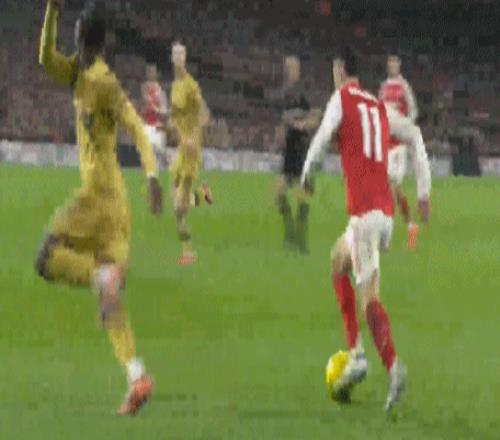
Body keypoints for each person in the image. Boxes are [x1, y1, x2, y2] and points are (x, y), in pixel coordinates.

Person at [35, 0, 163, 416]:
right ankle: (136, 376)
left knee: (45, 257)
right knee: (109, 304)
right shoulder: (78, 72)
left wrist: (152, 174)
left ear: (82, 37)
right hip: (114, 206)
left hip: (98, 198)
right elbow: (45, 59)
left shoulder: (103, 83)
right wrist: (52, 11)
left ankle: (98, 275)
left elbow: (136, 127)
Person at [301, 49, 431, 411]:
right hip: (384, 215)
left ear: (340, 69)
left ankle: (392, 367)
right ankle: (356, 353)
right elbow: (414, 133)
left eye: (334, 70)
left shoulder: (342, 98)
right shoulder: (377, 105)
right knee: (337, 261)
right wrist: (423, 191)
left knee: (369, 297)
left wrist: (307, 175)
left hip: (364, 216)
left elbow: (322, 138)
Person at [168, 41, 212, 265]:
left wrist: (194, 138)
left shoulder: (190, 85)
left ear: (185, 58)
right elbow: (175, 117)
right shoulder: (174, 87)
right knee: (174, 193)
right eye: (175, 54)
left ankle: (187, 251)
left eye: (181, 54)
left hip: (192, 149)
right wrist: (171, 128)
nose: (178, 57)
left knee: (179, 207)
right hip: (181, 147)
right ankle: (202, 194)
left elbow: (204, 113)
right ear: (171, 57)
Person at [276, 55, 320, 254]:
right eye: (287, 67)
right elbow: (283, 121)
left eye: (292, 67)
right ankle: (291, 235)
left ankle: (300, 242)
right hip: (289, 151)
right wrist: (280, 134)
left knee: (301, 197)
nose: (289, 70)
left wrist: (302, 125)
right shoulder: (285, 95)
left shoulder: (304, 93)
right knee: (279, 194)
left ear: (298, 69)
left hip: (301, 150)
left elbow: (315, 118)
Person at [379, 55, 420, 249]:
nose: (392, 67)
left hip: (398, 146)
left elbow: (413, 111)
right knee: (386, 190)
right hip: (385, 144)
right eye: (390, 64)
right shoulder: (383, 87)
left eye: (395, 64)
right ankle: (407, 227)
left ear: (399, 66)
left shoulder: (404, 86)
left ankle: (392, 235)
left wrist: (405, 128)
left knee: (392, 187)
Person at [141, 64, 169, 170]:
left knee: (162, 153)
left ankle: (167, 170)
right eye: (149, 71)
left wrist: (159, 110)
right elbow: (145, 102)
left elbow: (164, 109)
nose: (150, 74)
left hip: (157, 124)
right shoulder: (145, 87)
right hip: (147, 124)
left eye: (152, 72)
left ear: (156, 74)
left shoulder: (160, 91)